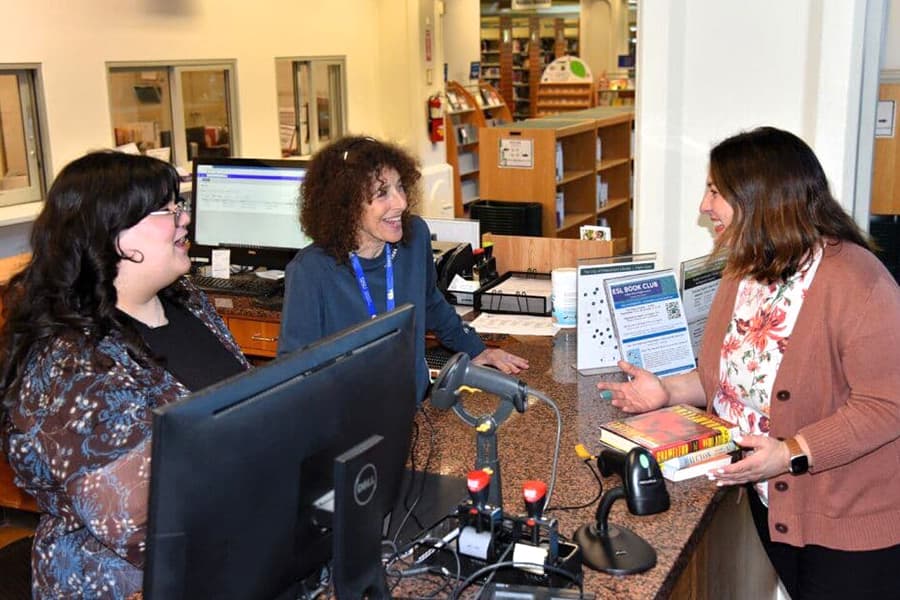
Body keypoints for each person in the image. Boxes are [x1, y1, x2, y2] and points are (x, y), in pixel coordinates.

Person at [596, 126, 900, 599]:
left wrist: (791, 451)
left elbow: (888, 406)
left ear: (762, 197)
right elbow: (730, 374)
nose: (703, 206)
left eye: (715, 191)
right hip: (772, 500)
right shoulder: (744, 268)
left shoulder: (859, 282)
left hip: (850, 520)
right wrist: (669, 391)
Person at [0, 151, 250, 599]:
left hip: (237, 540)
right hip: (128, 583)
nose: (185, 219)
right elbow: (143, 524)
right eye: (168, 210)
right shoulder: (67, 364)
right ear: (112, 233)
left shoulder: (186, 300)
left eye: (181, 205)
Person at [278, 135, 528, 402]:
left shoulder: (414, 237)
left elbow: (430, 301)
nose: (400, 203)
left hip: (414, 407)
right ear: (346, 206)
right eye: (382, 193)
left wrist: (478, 350)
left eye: (400, 187)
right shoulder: (310, 271)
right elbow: (293, 372)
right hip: (349, 423)